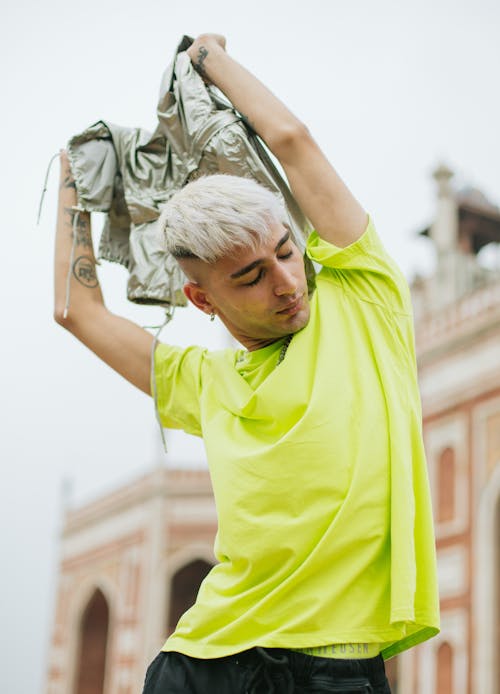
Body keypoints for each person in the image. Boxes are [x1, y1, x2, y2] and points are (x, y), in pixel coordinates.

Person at [54, 33, 439, 694]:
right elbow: (78, 313)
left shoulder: (365, 302)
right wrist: (69, 178)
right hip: (203, 666)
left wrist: (206, 57)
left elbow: (291, 140)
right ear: (203, 298)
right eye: (253, 275)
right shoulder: (205, 384)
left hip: (335, 670)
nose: (288, 282)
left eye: (287, 252)